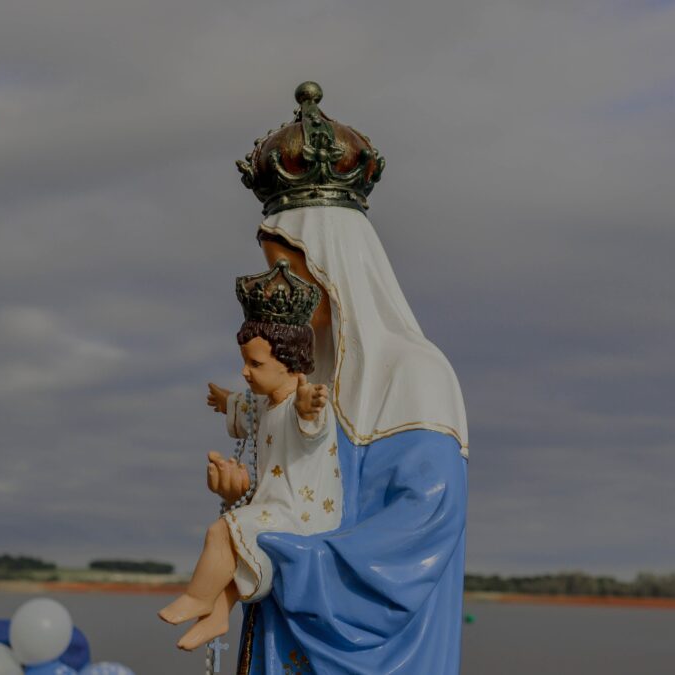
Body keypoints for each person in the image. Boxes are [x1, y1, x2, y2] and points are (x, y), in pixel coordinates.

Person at [226, 206, 469, 675]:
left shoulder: (415, 371)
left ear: (335, 265)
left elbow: (427, 518)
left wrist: (294, 558)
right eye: (271, 269)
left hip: (373, 642)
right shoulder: (297, 376)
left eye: (291, 271)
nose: (279, 286)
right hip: (285, 616)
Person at [158, 260, 337, 651]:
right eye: (244, 361)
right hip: (274, 506)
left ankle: (199, 597)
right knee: (239, 544)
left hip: (301, 516)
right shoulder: (263, 405)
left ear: (289, 363)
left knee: (222, 531)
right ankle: (218, 615)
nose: (245, 372)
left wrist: (309, 408)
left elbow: (312, 427)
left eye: (255, 364)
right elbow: (246, 408)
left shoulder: (298, 406)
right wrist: (227, 403)